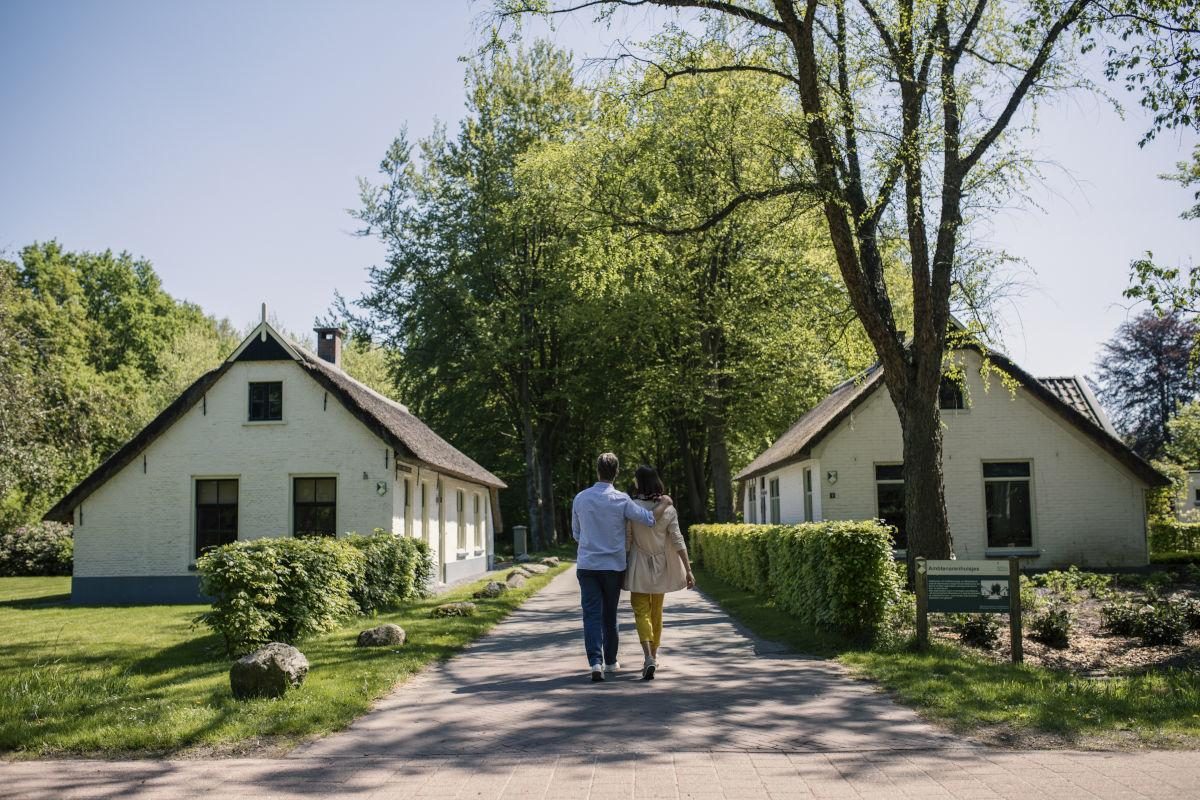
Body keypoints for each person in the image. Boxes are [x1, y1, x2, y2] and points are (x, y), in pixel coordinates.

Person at [571, 452, 672, 682]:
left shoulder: (581, 498)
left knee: (591, 614)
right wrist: (665, 502)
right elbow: (648, 518)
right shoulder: (621, 499)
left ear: (598, 471)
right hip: (613, 566)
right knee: (609, 613)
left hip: (587, 565)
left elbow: (576, 533)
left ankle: (595, 662)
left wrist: (590, 542)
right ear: (616, 473)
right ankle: (610, 662)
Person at [624, 465, 694, 680]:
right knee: (657, 612)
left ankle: (647, 657)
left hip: (638, 563)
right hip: (661, 564)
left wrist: (621, 566)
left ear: (640, 482)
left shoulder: (632, 508)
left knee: (640, 611)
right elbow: (677, 539)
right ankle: (654, 654)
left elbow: (627, 540)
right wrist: (688, 569)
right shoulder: (669, 509)